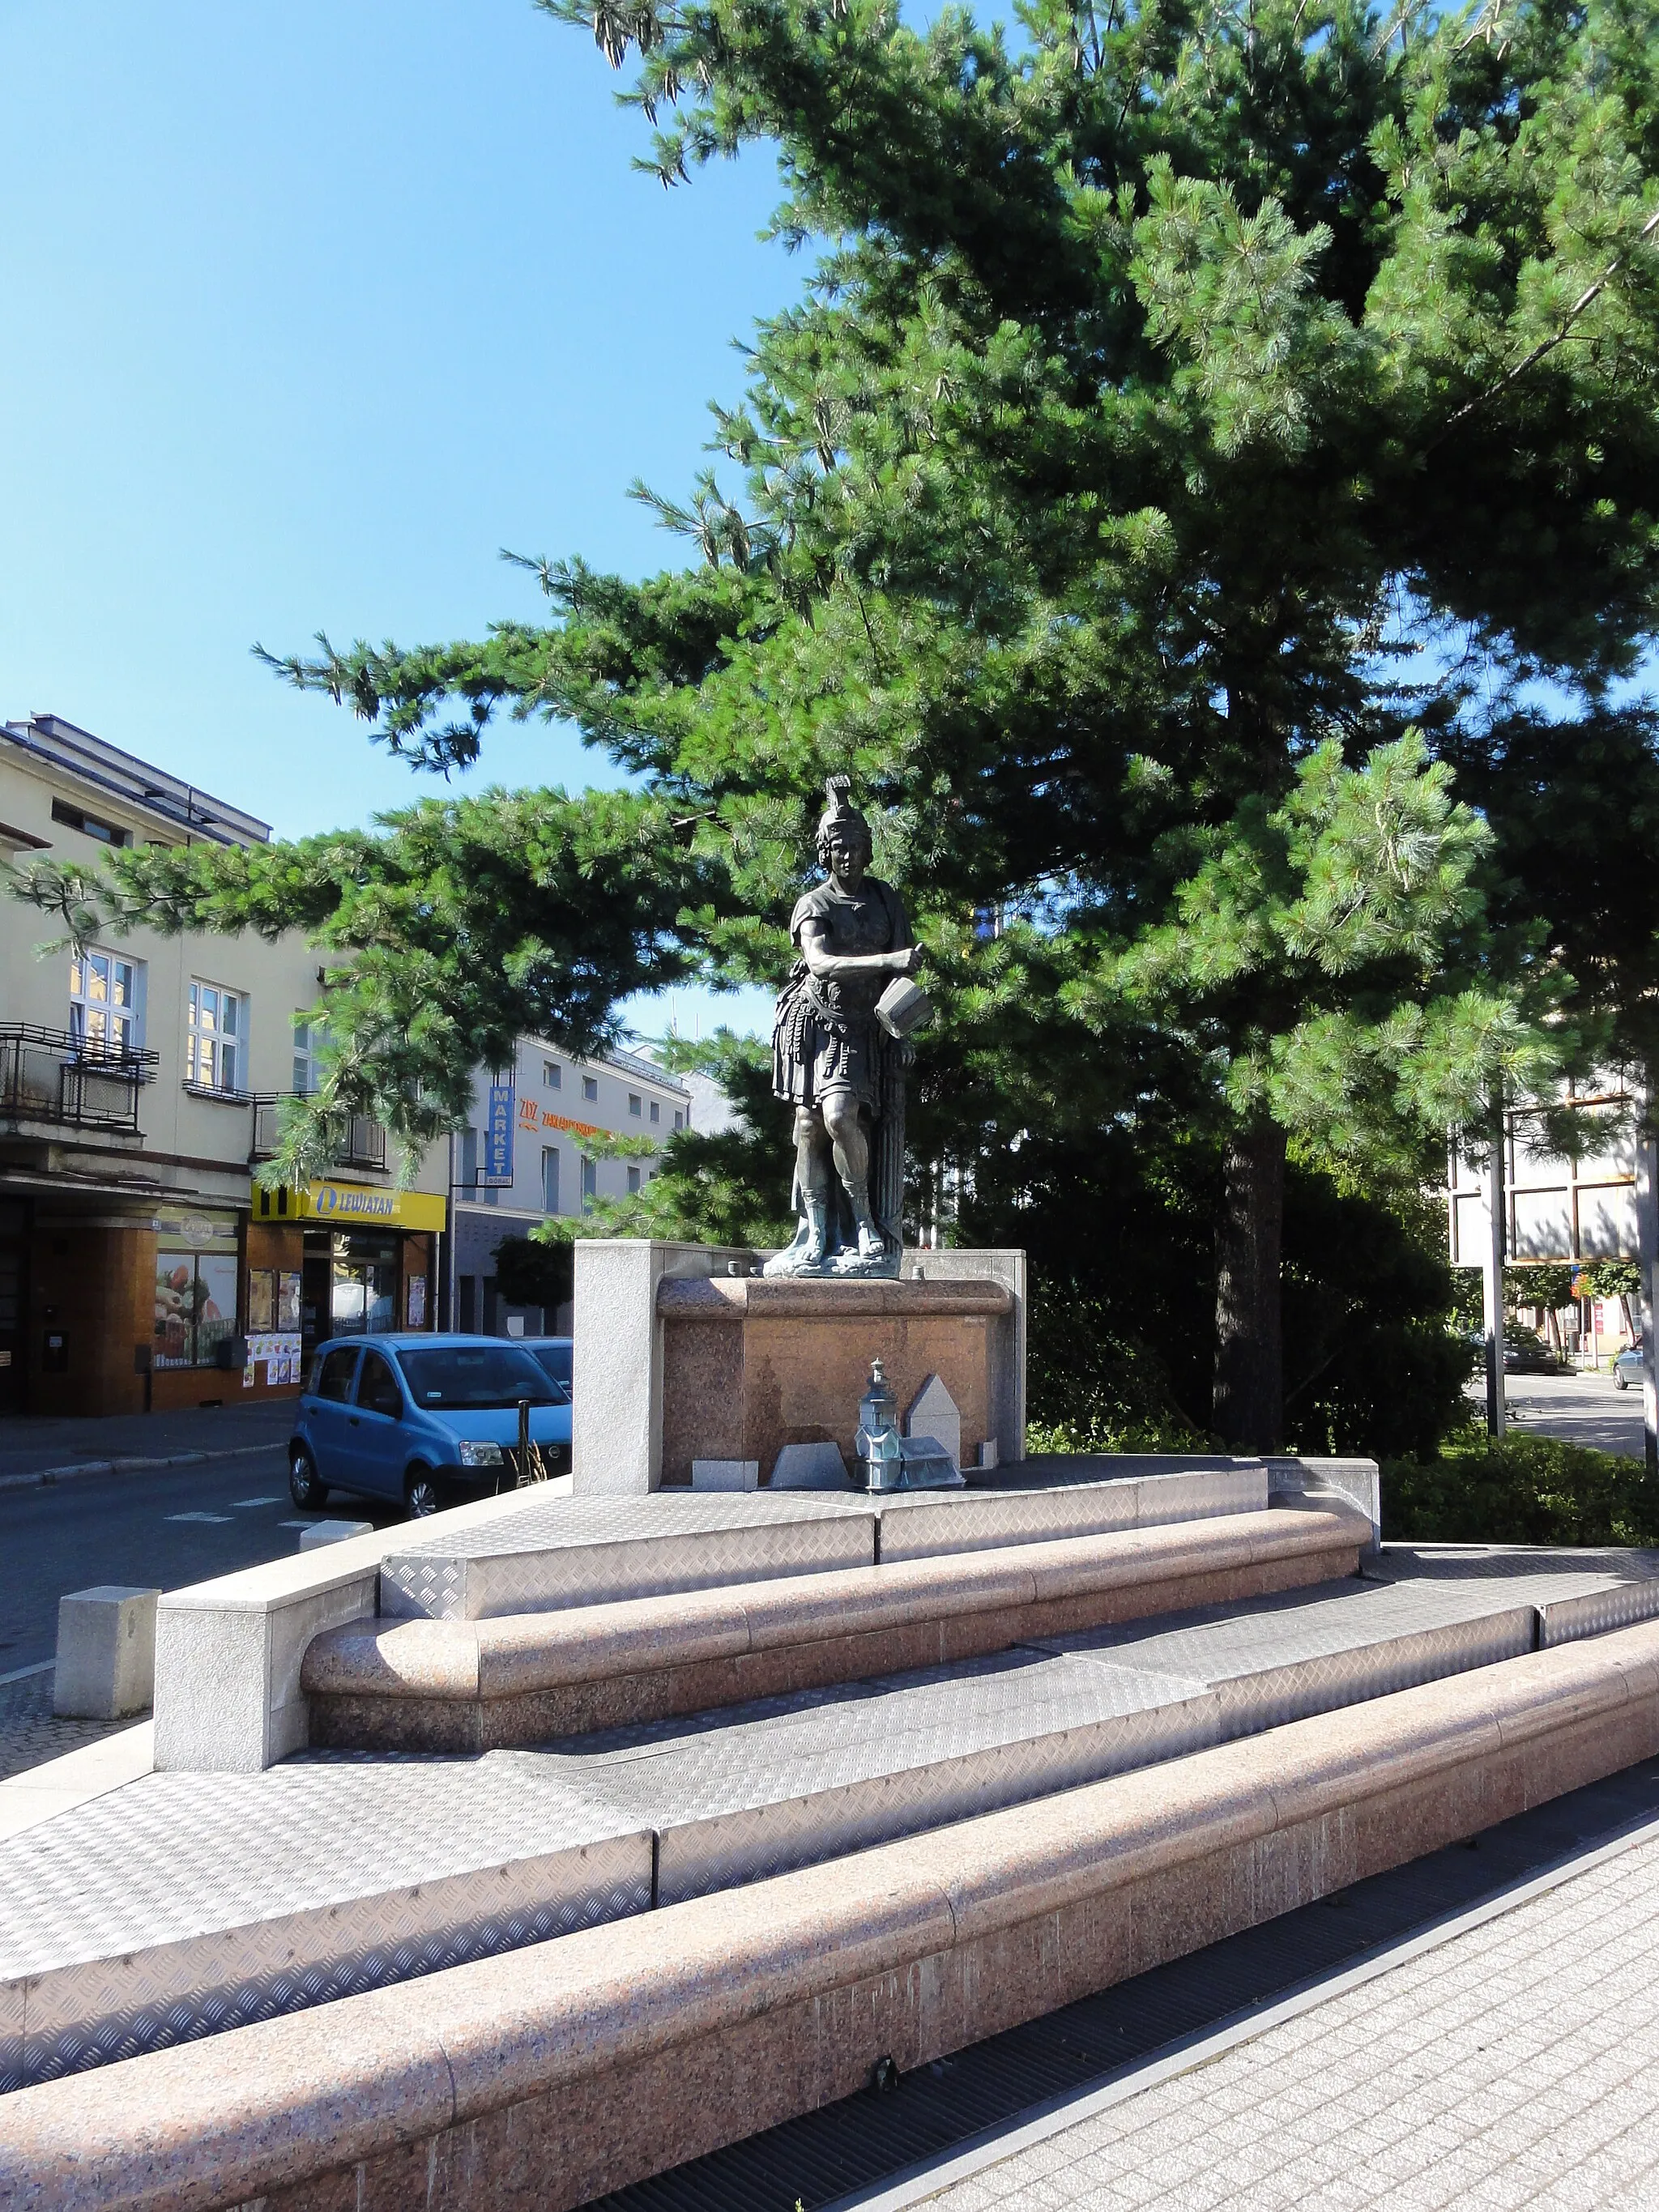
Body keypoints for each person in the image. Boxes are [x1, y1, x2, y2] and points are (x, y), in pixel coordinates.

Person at [766, 778, 920, 1274]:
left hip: (861, 1031)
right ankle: (815, 1234)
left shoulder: (885, 900)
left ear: (867, 851)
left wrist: (904, 1032)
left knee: (838, 1118)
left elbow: (905, 974)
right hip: (813, 1024)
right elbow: (820, 963)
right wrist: (890, 958)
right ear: (825, 854)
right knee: (809, 1128)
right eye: (838, 848)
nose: (847, 857)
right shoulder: (814, 905)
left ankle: (865, 1224)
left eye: (855, 847)